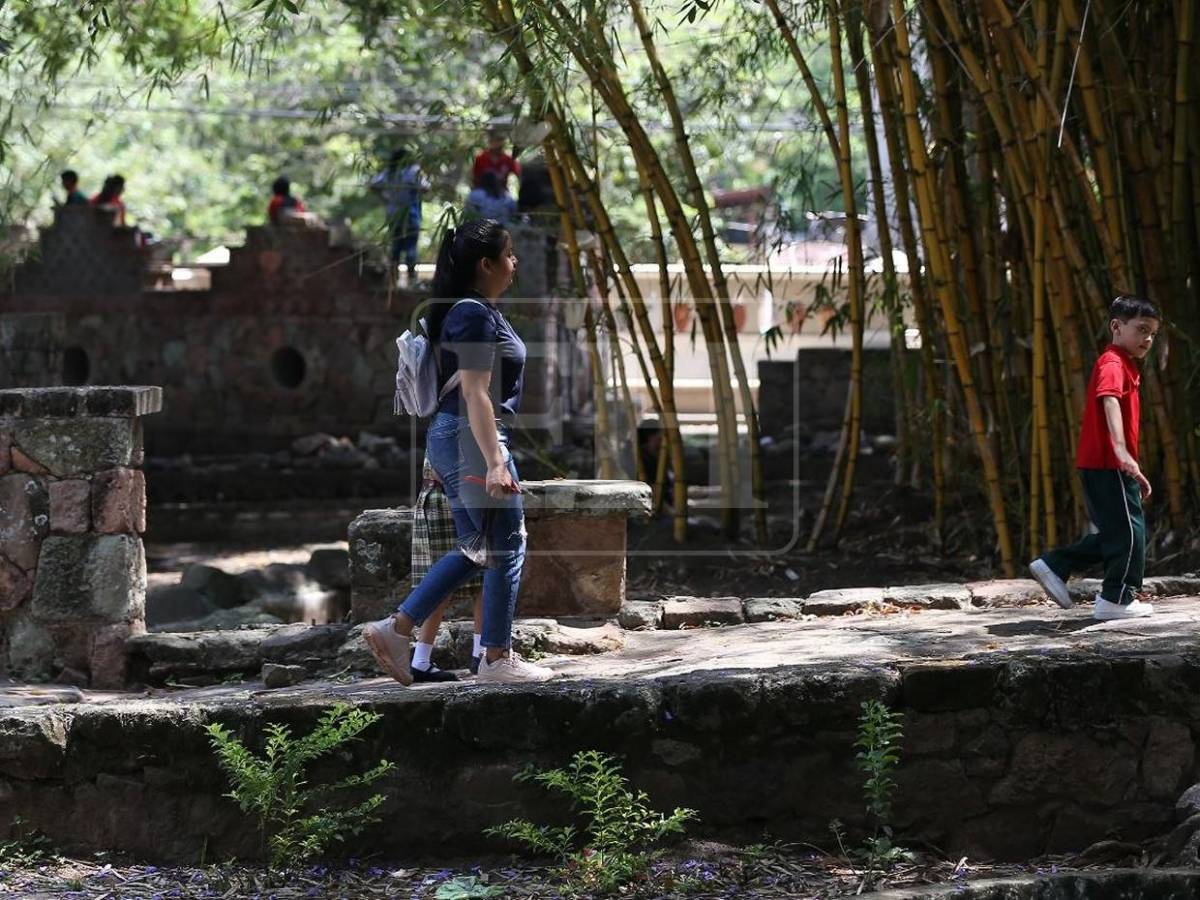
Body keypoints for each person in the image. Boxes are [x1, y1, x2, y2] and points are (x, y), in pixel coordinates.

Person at [363, 218, 554, 685]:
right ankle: (494, 659)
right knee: (507, 546)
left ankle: (398, 630)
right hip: (472, 439)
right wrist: (493, 462)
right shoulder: (472, 314)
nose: (514, 264)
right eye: (508, 256)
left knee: (477, 549)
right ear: (485, 263)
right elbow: (475, 392)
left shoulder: (479, 311)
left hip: (457, 437)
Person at [1029, 295, 1160, 621]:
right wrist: (1120, 452)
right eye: (1141, 329)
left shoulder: (1124, 363)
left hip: (1105, 461)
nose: (1147, 338)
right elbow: (1109, 401)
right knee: (1130, 533)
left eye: (1153, 333)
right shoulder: (1113, 362)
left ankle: (1058, 566)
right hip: (1107, 461)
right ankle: (1115, 598)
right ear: (1116, 326)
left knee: (1122, 533)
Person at [370, 148, 429, 284]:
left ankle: (393, 280)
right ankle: (412, 279)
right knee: (411, 247)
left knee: (395, 247)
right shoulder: (413, 171)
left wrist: (385, 198)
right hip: (411, 214)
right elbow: (426, 187)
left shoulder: (390, 172)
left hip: (393, 215)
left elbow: (373, 185)